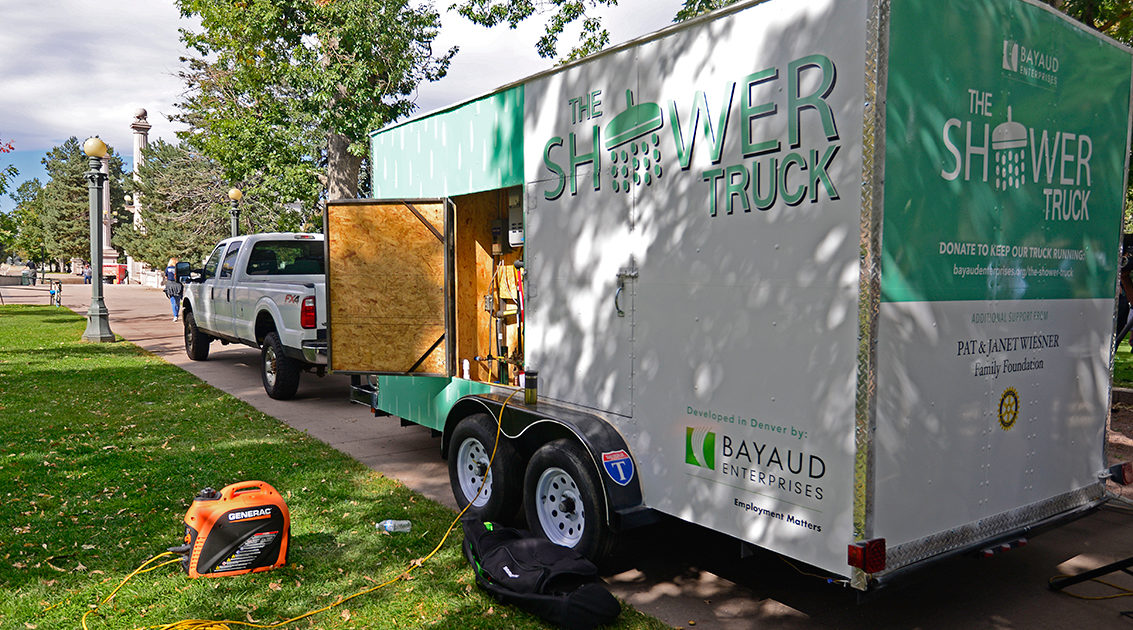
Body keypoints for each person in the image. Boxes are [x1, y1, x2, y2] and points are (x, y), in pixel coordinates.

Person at [164, 257, 183, 321]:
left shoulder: (168, 268)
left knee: (173, 301)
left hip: (170, 285)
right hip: (178, 285)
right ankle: (176, 314)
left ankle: (175, 315)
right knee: (178, 301)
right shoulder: (178, 269)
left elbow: (166, 276)